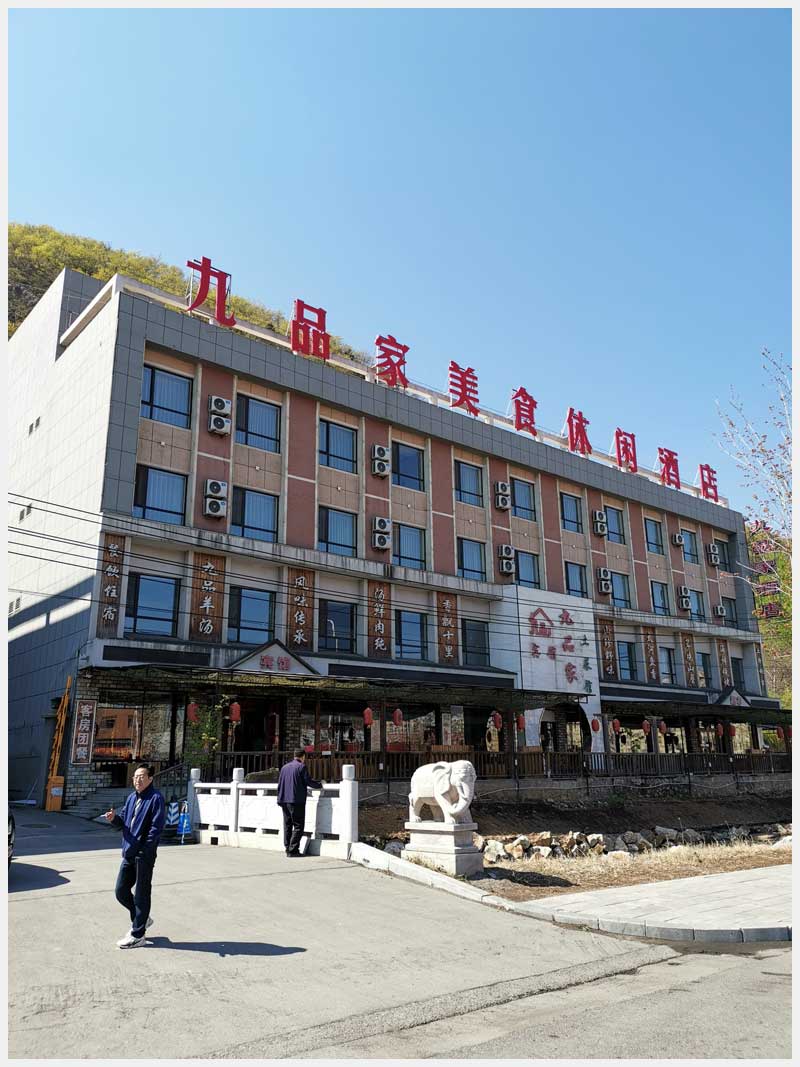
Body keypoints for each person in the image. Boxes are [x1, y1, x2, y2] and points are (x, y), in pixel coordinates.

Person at [104, 763, 165, 949]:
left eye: (141, 776)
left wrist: (144, 849)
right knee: (121, 891)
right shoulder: (131, 798)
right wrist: (114, 819)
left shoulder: (156, 799)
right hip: (129, 852)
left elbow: (156, 828)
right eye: (135, 777)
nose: (137, 780)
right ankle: (142, 919)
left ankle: (138, 934)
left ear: (150, 779)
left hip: (143, 855)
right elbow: (124, 822)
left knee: (141, 894)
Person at [277, 748, 322, 856]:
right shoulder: (301, 767)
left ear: (294, 755)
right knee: (298, 826)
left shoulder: (284, 767)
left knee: (287, 825)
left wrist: (279, 799)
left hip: (284, 800)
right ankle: (293, 850)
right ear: (303, 756)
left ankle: (287, 848)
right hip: (296, 800)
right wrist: (320, 784)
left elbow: (280, 784)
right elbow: (308, 781)